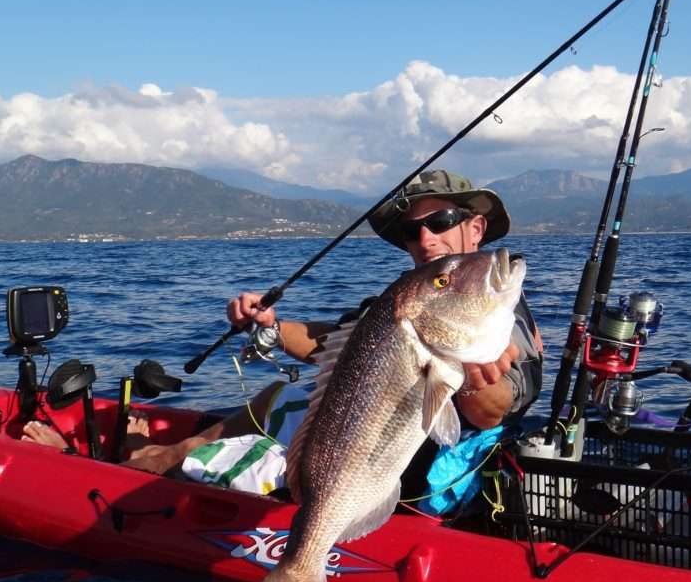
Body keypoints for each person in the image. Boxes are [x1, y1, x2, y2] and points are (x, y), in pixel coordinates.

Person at [127, 170, 543, 498]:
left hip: (422, 468)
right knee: (278, 395)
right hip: (365, 441)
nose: (425, 239)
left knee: (233, 461)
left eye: (441, 221)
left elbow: (493, 411)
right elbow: (340, 344)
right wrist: (271, 327)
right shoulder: (406, 297)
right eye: (411, 231)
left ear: (476, 228)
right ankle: (171, 454)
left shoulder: (496, 308)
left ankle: (164, 466)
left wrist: (471, 380)